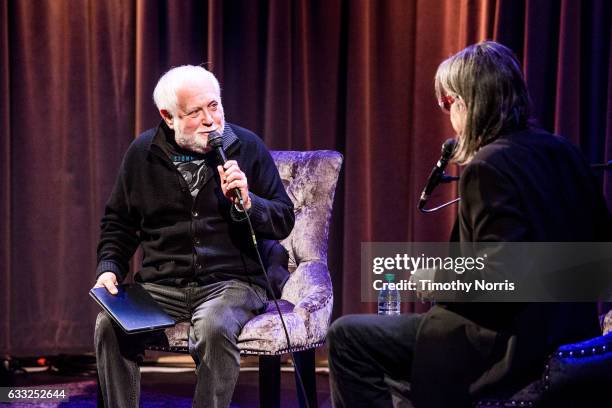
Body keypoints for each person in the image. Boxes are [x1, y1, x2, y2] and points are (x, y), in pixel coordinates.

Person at [327, 41, 610, 407]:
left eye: (447, 103)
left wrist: (436, 280)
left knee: (348, 336)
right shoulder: (565, 152)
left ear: (467, 102)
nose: (448, 115)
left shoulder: (487, 166)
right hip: (572, 335)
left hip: (508, 347)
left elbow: (502, 280)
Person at [93, 65, 294, 408]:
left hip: (232, 281)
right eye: (195, 112)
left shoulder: (246, 147)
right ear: (168, 116)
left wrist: (249, 203)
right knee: (108, 325)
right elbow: (119, 222)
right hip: (163, 284)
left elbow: (283, 219)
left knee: (214, 326)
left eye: (214, 106)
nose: (210, 120)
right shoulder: (143, 153)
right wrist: (109, 267)